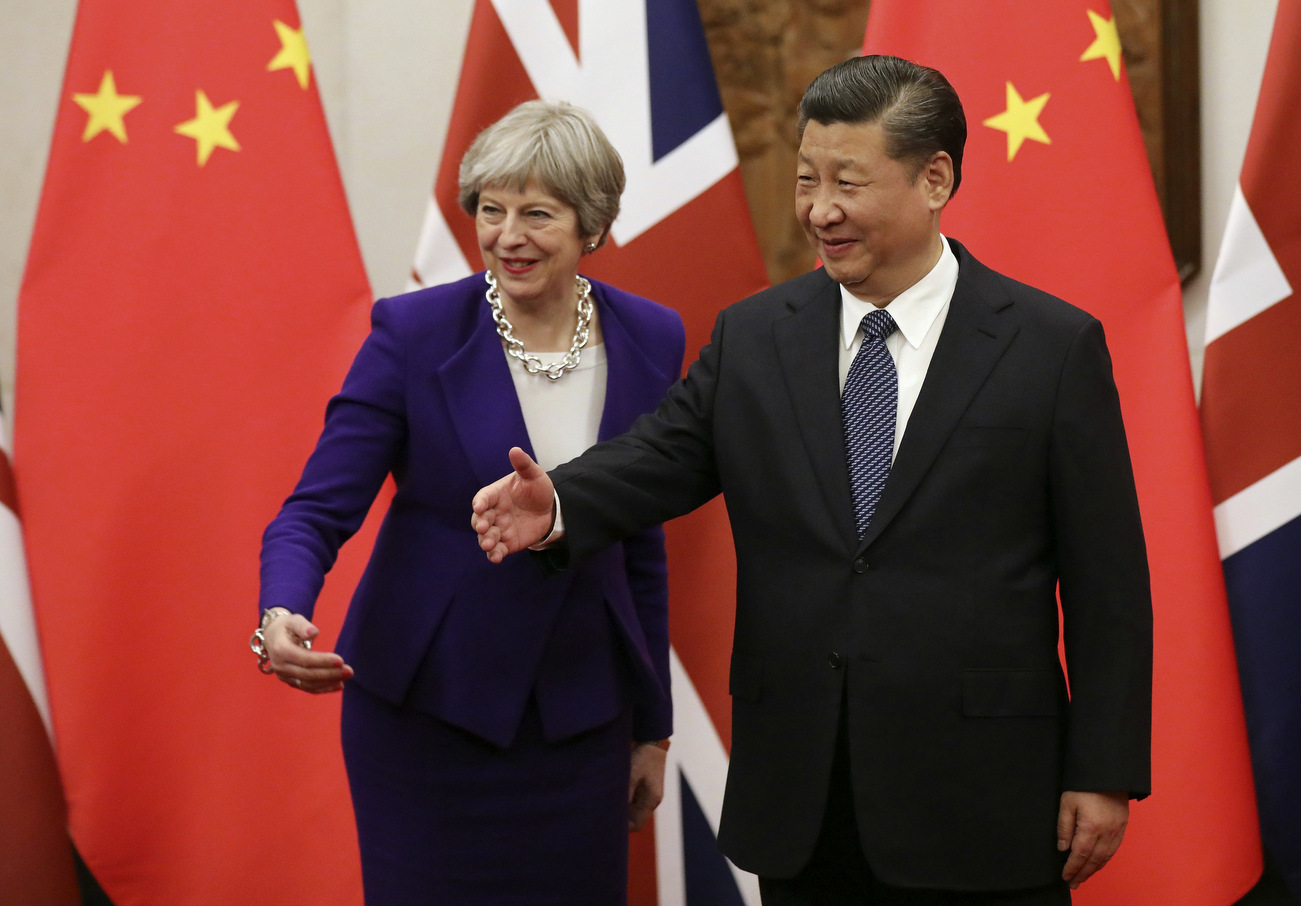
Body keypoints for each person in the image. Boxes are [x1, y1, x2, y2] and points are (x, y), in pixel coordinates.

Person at [473, 56, 1152, 905]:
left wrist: (1105, 769)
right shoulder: (757, 336)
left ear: (934, 178)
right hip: (803, 794)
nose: (819, 210)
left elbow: (1108, 585)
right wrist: (562, 500)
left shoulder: (1050, 348)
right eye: (805, 179)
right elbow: (663, 454)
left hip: (983, 795)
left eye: (847, 182)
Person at [253, 99, 684, 905]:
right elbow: (315, 507)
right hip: (428, 716)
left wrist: (651, 726)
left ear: (591, 225)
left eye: (537, 213)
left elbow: (642, 544)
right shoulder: (415, 333)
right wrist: (281, 610)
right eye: (491, 209)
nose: (507, 235)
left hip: (580, 722)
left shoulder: (652, 338)